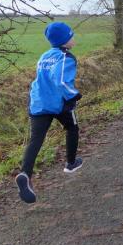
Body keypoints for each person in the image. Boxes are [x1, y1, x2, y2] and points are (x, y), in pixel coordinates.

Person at [15, 22, 84, 204]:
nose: (73, 38)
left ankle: (25, 174)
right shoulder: (66, 57)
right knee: (72, 127)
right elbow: (61, 81)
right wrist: (74, 95)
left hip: (38, 103)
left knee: (36, 140)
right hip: (58, 103)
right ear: (64, 40)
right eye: (71, 36)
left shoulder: (45, 56)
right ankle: (70, 163)